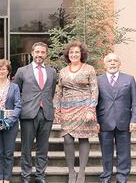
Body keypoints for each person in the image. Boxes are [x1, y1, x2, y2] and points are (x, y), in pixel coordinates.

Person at [54, 41, 99, 183]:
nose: (74, 54)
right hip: (67, 109)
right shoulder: (62, 71)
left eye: (77, 52)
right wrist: (57, 109)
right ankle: (71, 171)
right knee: (67, 139)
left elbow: (94, 90)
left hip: (85, 109)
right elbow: (59, 91)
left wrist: (91, 109)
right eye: (71, 52)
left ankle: (81, 172)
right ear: (68, 54)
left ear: (81, 54)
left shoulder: (89, 69)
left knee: (83, 138)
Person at [14, 42, 57, 183]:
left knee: (43, 148)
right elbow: (16, 92)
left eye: (42, 52)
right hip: (28, 114)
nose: (39, 55)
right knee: (26, 147)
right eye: (37, 52)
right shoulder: (22, 71)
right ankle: (26, 176)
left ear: (46, 54)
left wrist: (46, 105)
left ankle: (40, 176)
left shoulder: (52, 72)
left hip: (46, 113)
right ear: (32, 53)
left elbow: (50, 92)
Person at [96, 53, 136, 183]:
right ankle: (106, 176)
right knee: (106, 152)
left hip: (124, 122)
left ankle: (122, 177)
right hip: (104, 122)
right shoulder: (98, 80)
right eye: (109, 61)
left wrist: (135, 120)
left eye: (115, 61)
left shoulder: (129, 79)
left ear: (119, 64)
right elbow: (94, 103)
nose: (112, 63)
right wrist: (95, 121)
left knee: (124, 152)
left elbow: (135, 102)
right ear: (105, 64)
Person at [0, 59, 21, 183]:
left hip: (10, 125)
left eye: (4, 69)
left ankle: (7, 178)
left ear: (8, 71)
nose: (1, 71)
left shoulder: (15, 87)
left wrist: (9, 121)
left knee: (8, 152)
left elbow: (18, 106)